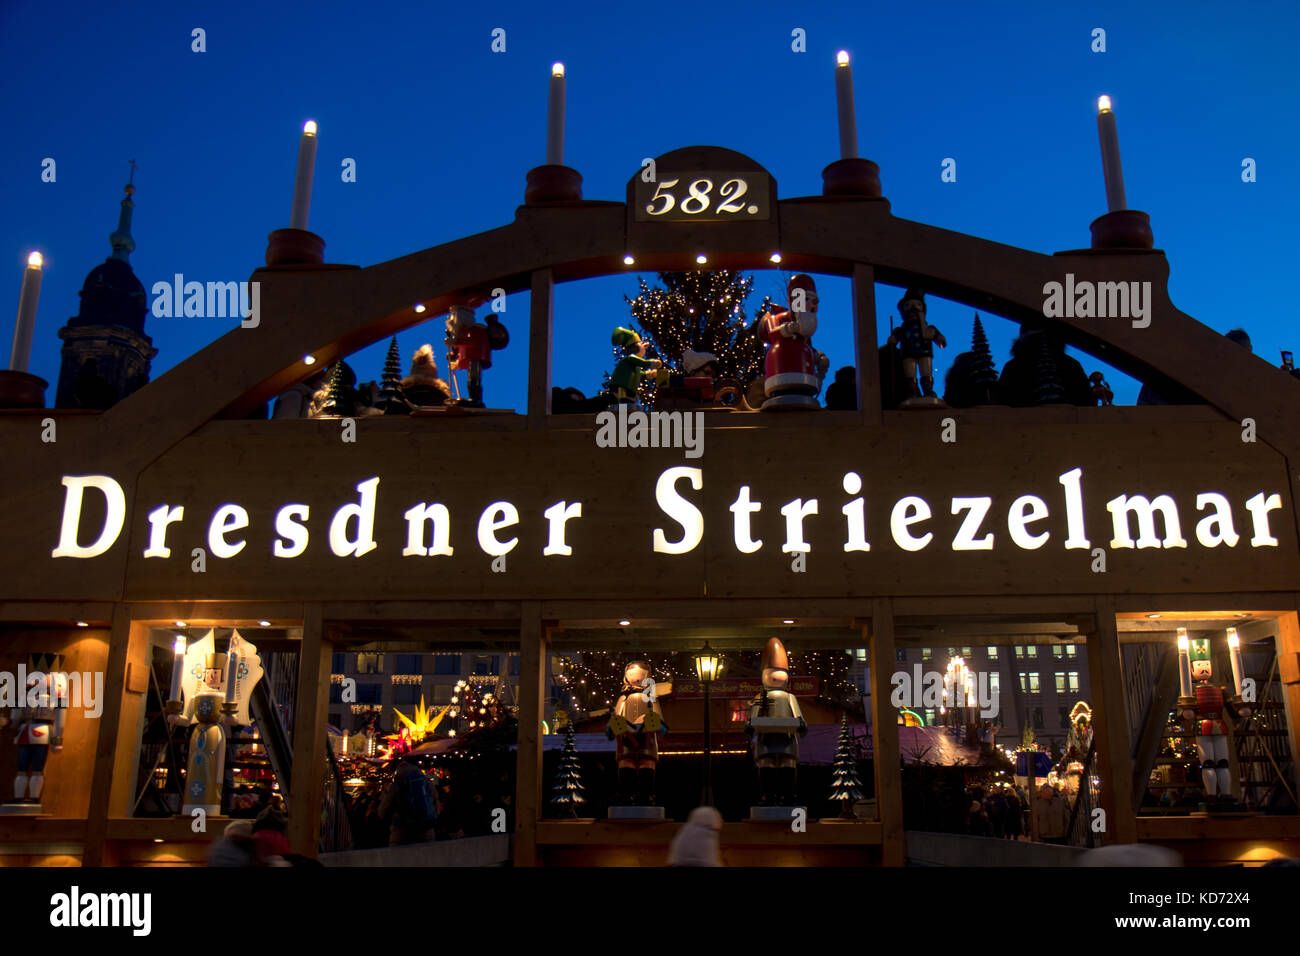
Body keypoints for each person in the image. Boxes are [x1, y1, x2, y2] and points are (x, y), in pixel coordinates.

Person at [379, 754, 437, 846]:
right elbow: (436, 805)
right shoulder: (426, 783)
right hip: (426, 830)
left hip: (401, 831)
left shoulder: (396, 785)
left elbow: (382, 811)